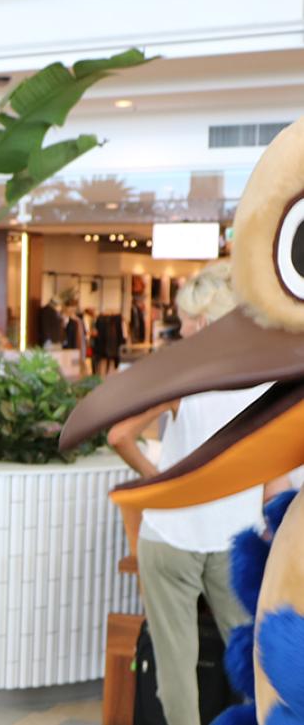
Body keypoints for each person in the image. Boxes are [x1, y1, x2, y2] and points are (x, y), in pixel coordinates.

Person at [107, 261, 289, 725]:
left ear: (205, 323)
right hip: (234, 539)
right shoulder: (266, 378)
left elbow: (119, 434)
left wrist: (159, 484)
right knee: (255, 662)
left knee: (176, 670)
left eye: (186, 319)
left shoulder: (183, 378)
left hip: (170, 536)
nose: (180, 327)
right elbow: (275, 474)